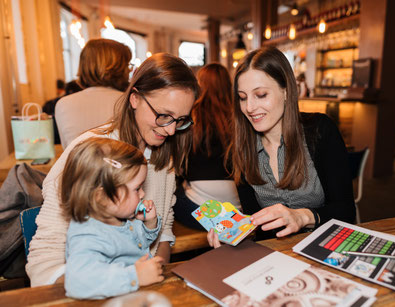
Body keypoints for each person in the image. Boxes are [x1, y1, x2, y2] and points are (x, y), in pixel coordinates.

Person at [26, 53, 199, 286]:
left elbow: (163, 231)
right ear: (135, 98)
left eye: (180, 120)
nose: (170, 131)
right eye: (164, 116)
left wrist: (157, 279)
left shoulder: (163, 155)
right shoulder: (91, 152)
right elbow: (45, 260)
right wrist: (126, 282)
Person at [207, 46, 355, 247]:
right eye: (242, 97)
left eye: (260, 95)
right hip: (274, 253)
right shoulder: (240, 149)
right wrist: (234, 234)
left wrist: (302, 217)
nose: (249, 108)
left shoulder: (320, 131)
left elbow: (346, 212)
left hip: (327, 245)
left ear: (286, 91)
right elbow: (255, 222)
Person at [62, 138, 164, 299]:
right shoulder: (89, 235)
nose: (143, 194)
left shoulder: (118, 218)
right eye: (137, 189)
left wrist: (149, 222)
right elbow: (77, 282)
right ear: (102, 197)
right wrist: (135, 276)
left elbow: (139, 244)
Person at [174, 63, 240, 230]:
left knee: (172, 195)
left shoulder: (190, 116)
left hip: (200, 207)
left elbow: (179, 166)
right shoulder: (240, 117)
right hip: (237, 208)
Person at [55, 38, 132, 149]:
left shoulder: (63, 103)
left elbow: (66, 150)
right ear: (119, 68)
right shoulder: (129, 102)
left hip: (78, 166)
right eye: (127, 65)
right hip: (122, 165)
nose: (129, 70)